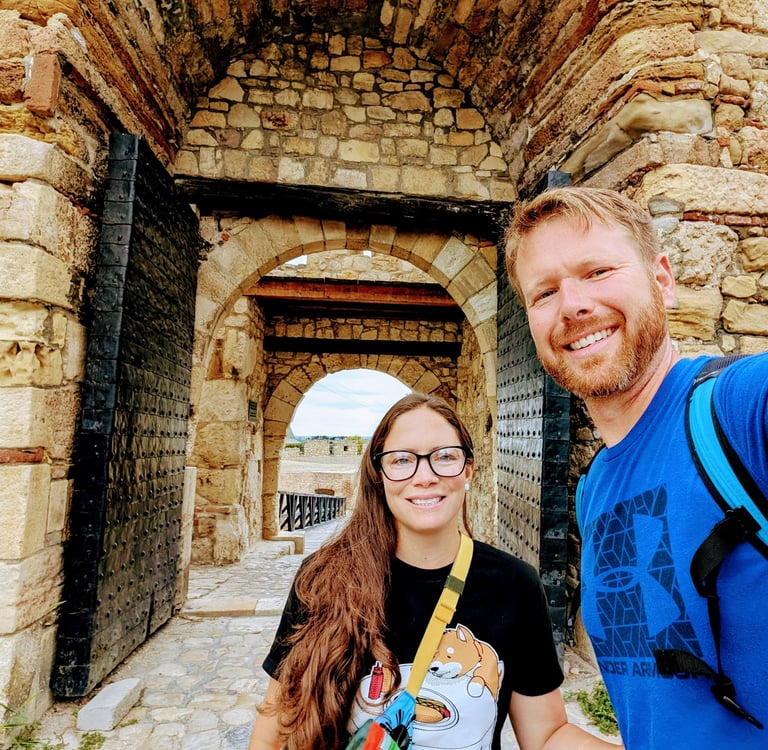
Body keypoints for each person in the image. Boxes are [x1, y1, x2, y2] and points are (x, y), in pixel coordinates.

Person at [504, 185, 768, 750]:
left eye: (598, 271)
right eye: (544, 292)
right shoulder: (594, 487)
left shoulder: (740, 411)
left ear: (662, 280)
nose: (572, 305)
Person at [248, 391, 623, 750]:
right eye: (401, 460)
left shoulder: (514, 587)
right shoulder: (325, 579)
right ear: (379, 473)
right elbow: (275, 730)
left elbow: (546, 735)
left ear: (468, 470)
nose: (424, 475)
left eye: (444, 456)